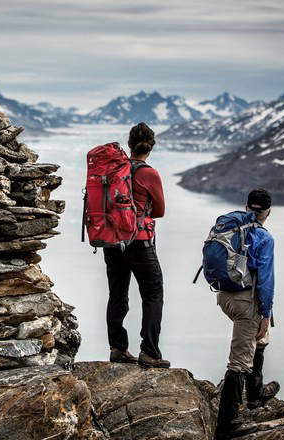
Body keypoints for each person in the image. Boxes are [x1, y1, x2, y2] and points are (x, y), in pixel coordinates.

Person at [214, 188, 281, 439]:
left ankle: (255, 393)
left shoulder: (230, 226)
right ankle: (226, 425)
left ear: (246, 207)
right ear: (268, 212)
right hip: (245, 302)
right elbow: (265, 281)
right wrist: (265, 313)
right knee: (240, 362)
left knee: (261, 337)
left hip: (224, 295)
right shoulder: (264, 237)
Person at [104, 122, 171, 368]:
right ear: (150, 147)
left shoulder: (114, 171)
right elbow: (160, 211)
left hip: (112, 242)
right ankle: (149, 352)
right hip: (139, 243)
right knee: (153, 295)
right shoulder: (148, 173)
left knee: (117, 294)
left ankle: (118, 348)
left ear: (130, 144)